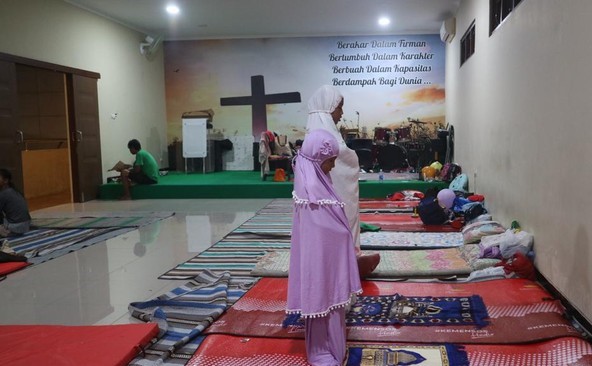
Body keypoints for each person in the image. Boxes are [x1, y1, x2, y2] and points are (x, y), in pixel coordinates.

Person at [286, 129, 362, 366]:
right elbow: (321, 231)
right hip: (320, 261)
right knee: (322, 301)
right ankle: (322, 350)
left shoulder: (317, 183)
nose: (331, 167)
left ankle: (332, 346)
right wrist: (341, 235)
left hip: (328, 259)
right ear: (319, 160)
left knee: (331, 303)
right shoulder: (311, 193)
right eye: (329, 161)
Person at [306, 85, 380, 277]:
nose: (342, 113)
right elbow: (343, 160)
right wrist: (352, 157)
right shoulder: (326, 135)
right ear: (330, 108)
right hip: (333, 196)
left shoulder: (313, 130)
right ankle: (345, 264)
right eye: (339, 107)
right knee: (339, 222)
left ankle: (335, 263)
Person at [0, 169, 31, 237]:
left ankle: (7, 232)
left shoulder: (3, 194)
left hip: (15, 227)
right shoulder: (14, 190)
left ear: (5, 180)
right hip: (26, 225)